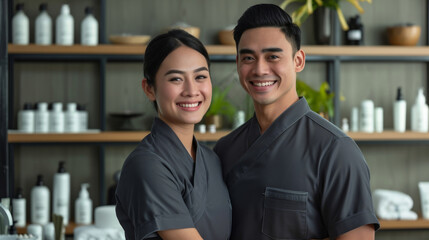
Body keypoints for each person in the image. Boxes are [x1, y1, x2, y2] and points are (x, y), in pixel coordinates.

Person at [214, 4, 380, 240]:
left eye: (273, 56)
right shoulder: (224, 149)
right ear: (238, 63)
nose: (260, 69)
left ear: (298, 61)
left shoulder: (336, 151)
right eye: (248, 58)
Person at [115, 29, 232, 240]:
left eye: (200, 77)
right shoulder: (146, 165)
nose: (191, 90)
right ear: (149, 89)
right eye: (176, 79)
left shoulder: (212, 160)